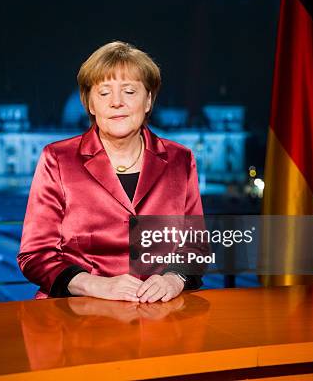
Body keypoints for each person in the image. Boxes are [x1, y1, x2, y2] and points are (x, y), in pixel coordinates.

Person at [17, 41, 204, 303]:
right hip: (76, 318)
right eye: (104, 93)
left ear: (148, 100)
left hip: (159, 316)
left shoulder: (180, 159)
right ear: (90, 104)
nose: (117, 103)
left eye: (129, 91)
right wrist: (94, 285)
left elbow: (194, 247)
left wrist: (174, 279)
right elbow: (35, 255)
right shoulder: (57, 159)